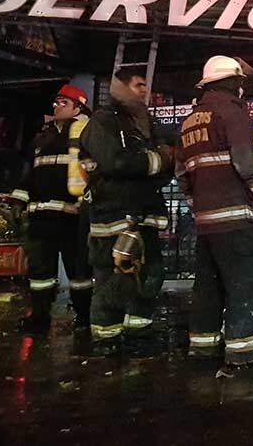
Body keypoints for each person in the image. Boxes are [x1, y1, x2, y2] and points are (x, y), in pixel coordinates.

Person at [177, 56, 253, 368]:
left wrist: (199, 208)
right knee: (243, 284)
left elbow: (182, 174)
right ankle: (245, 349)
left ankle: (203, 346)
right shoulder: (231, 112)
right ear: (233, 83)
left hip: (206, 223)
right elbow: (246, 163)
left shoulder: (190, 120)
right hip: (237, 218)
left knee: (208, 287)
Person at [80, 67, 174, 355]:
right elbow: (115, 162)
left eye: (145, 86)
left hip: (144, 216)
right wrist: (154, 161)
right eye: (138, 85)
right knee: (112, 280)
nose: (144, 91)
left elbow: (166, 165)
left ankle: (138, 334)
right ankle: (106, 340)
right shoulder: (103, 121)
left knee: (149, 277)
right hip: (112, 217)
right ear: (120, 88)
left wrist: (153, 163)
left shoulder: (145, 123)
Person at [12, 84, 93, 334]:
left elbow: (93, 172)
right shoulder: (41, 137)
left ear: (78, 107)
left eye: (63, 103)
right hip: (41, 216)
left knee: (79, 272)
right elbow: (30, 173)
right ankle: (39, 316)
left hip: (72, 216)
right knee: (39, 273)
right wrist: (18, 200)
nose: (56, 106)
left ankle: (84, 317)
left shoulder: (85, 134)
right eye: (55, 102)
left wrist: (89, 205)